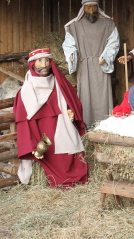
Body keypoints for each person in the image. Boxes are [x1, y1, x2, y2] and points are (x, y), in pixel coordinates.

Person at [13, 48, 88, 188]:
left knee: (69, 143)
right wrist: (32, 145)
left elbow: (70, 99)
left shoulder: (59, 83)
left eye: (47, 60)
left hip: (61, 123)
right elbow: (24, 120)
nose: (44, 65)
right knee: (49, 151)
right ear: (32, 64)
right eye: (40, 61)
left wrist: (70, 110)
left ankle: (74, 176)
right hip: (39, 129)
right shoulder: (25, 91)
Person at [63, 0, 120, 126]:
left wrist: (106, 56)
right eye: (88, 7)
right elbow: (69, 44)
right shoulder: (74, 25)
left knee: (102, 95)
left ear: (98, 7)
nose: (92, 10)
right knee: (85, 96)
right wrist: (71, 54)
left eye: (94, 7)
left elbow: (114, 43)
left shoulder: (108, 23)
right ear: (83, 8)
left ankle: (104, 125)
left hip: (101, 65)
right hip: (84, 65)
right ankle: (87, 125)